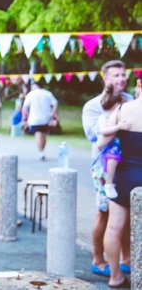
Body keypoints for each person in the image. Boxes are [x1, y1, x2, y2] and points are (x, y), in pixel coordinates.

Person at [81, 60, 133, 279]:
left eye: (123, 74)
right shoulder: (94, 106)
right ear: (105, 78)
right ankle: (98, 258)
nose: (121, 78)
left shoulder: (131, 100)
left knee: (127, 212)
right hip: (104, 166)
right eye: (116, 75)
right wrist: (119, 123)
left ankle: (127, 259)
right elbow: (96, 137)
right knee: (104, 212)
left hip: (127, 163)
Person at [96, 79, 142, 288]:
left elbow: (101, 143)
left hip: (125, 176)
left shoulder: (123, 109)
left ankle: (115, 276)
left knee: (114, 227)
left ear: (139, 85)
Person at [96, 85, 130, 199]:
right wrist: (119, 127)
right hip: (108, 150)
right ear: (117, 106)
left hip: (117, 148)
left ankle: (112, 182)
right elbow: (104, 131)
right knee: (112, 159)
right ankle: (108, 184)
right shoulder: (104, 117)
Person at [22, 81, 58, 161]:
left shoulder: (30, 94)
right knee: (44, 134)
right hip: (46, 118)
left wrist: (24, 119)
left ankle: (41, 152)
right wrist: (53, 113)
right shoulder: (48, 93)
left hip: (34, 118)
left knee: (38, 134)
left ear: (35, 86)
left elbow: (25, 108)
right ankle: (42, 151)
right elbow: (55, 103)